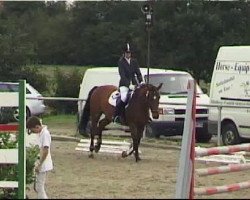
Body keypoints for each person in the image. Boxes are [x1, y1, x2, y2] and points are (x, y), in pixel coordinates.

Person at [113, 43, 144, 124]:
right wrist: (128, 85)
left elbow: (138, 73)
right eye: (127, 53)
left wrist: (141, 81)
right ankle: (117, 115)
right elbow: (122, 75)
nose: (128, 54)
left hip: (134, 84)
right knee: (123, 98)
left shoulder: (134, 61)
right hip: (124, 85)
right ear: (124, 53)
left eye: (129, 53)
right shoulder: (121, 62)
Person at [26, 116, 53, 199]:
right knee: (38, 187)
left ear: (37, 126)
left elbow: (45, 150)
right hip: (41, 162)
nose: (33, 132)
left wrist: (40, 164)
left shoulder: (45, 134)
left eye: (33, 130)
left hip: (43, 163)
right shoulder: (41, 133)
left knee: (39, 187)